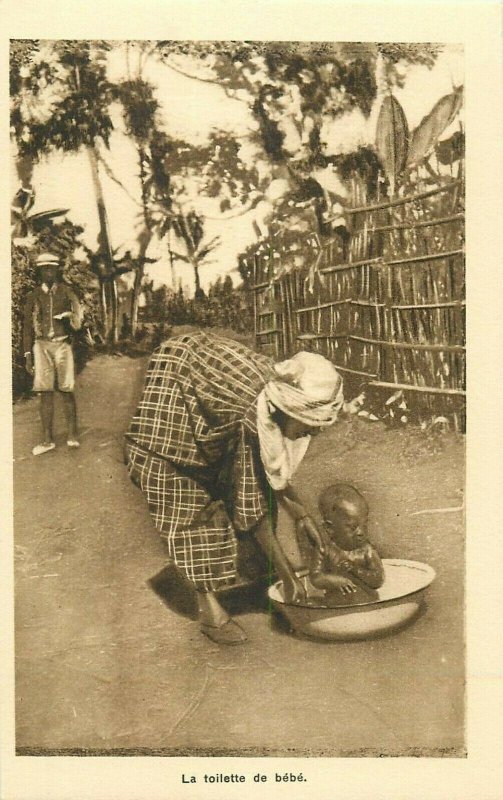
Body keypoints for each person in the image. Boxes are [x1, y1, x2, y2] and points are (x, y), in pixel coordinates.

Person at [125, 331, 362, 645]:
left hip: (201, 382)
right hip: (173, 399)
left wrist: (302, 517)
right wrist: (290, 578)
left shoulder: (280, 389)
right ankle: (210, 610)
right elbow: (252, 505)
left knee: (248, 485)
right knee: (190, 502)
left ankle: (264, 575)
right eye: (311, 424)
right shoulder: (253, 415)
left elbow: (271, 471)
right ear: (293, 409)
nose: (313, 433)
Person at [23, 252, 82, 456]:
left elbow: (79, 319)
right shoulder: (33, 296)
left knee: (66, 389)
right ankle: (47, 439)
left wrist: (69, 317)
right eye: (44, 269)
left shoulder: (66, 292)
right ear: (39, 272)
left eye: (52, 268)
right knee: (45, 392)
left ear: (57, 270)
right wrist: (27, 355)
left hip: (63, 344)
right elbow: (27, 327)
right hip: (41, 346)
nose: (48, 272)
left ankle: (72, 435)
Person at [308, 483, 384, 600]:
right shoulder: (324, 550)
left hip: (368, 606)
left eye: (364, 525)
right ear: (330, 528)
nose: (360, 532)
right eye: (353, 527)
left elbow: (378, 579)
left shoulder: (367, 550)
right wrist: (335, 581)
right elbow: (315, 577)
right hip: (338, 609)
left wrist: (355, 569)